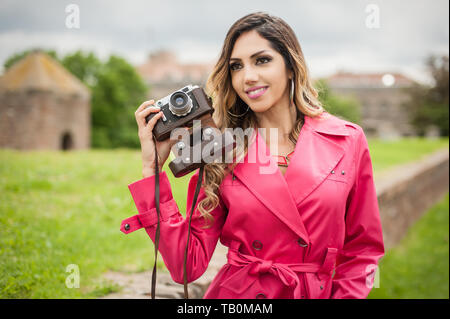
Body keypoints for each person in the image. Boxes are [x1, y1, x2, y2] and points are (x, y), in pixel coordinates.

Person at [120, 12, 385, 299]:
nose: (248, 77)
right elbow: (186, 266)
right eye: (236, 66)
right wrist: (152, 169)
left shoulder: (348, 139)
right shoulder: (219, 149)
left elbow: (363, 251)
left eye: (262, 60)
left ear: (291, 66)